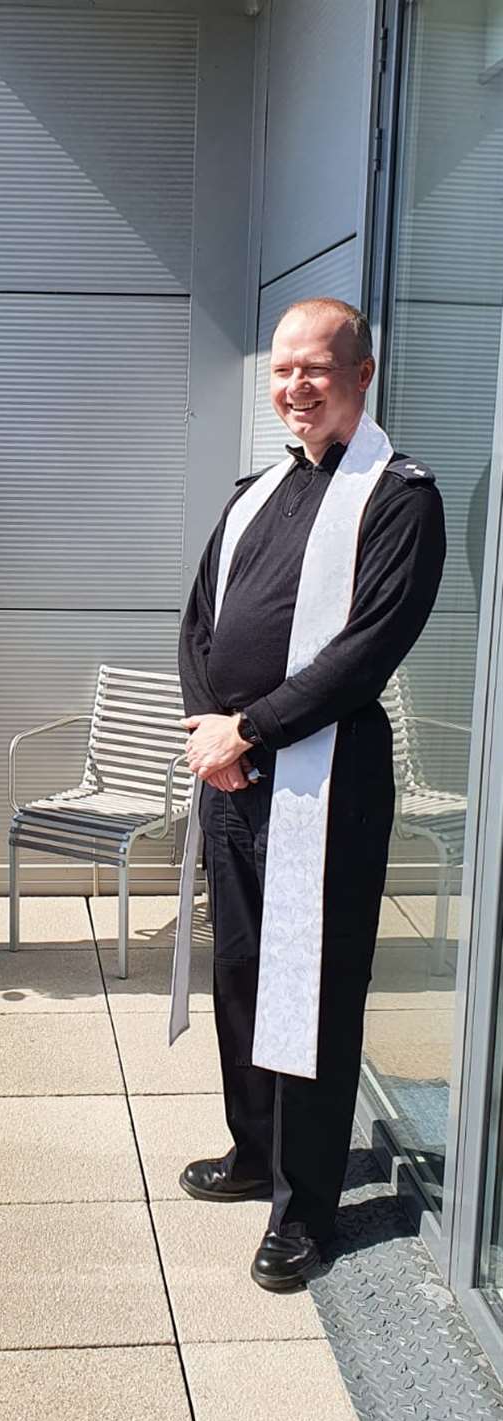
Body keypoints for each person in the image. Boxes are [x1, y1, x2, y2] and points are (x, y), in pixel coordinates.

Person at [173, 298, 445, 1291]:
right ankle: (254, 1151)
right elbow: (200, 618)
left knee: (313, 994)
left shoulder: (399, 497)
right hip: (236, 777)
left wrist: (249, 729)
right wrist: (216, 735)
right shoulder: (257, 491)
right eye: (282, 371)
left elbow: (366, 647)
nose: (294, 388)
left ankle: (306, 1205)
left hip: (324, 785)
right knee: (243, 975)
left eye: (316, 370)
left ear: (362, 374)